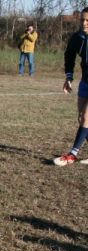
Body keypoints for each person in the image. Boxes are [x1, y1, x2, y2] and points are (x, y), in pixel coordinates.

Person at [55, 7, 88, 166]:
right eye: (82, 19)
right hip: (85, 82)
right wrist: (69, 77)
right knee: (81, 118)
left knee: (86, 118)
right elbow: (69, 56)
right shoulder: (77, 37)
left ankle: (72, 154)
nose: (84, 23)